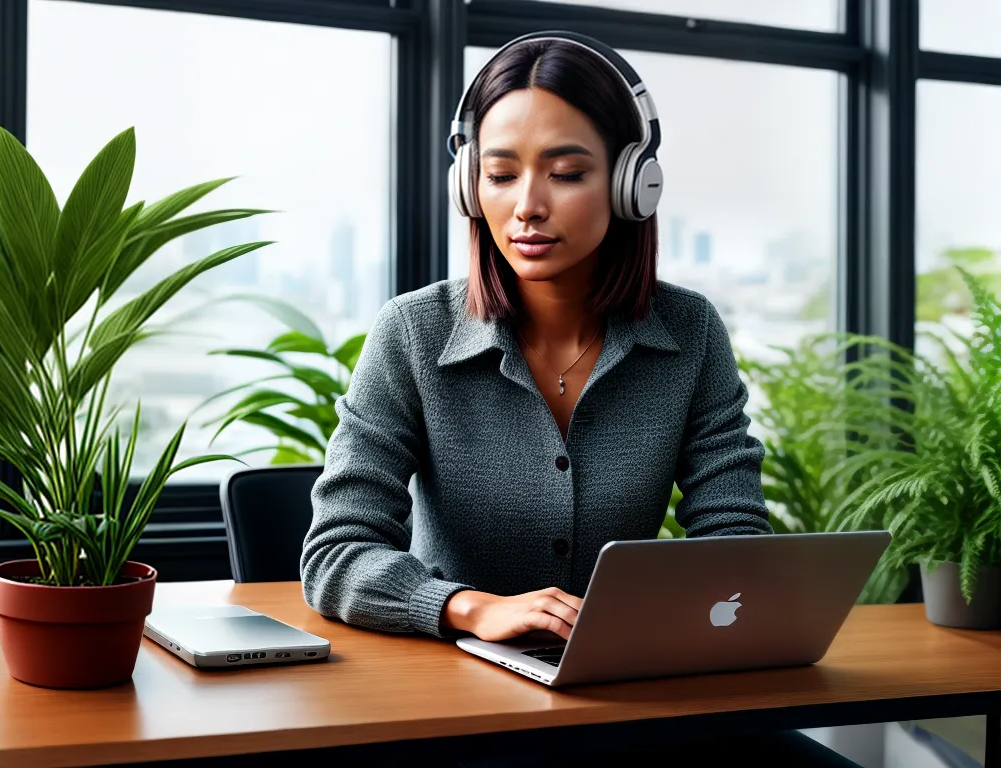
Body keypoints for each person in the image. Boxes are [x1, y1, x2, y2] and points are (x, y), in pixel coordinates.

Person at [301, 31, 859, 768]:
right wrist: (471, 608)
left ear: (634, 185)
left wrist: (678, 616)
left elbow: (731, 536)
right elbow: (336, 553)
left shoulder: (688, 333)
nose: (526, 206)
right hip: (456, 710)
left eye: (564, 173)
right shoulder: (413, 333)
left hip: (635, 703)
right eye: (499, 175)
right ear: (470, 185)